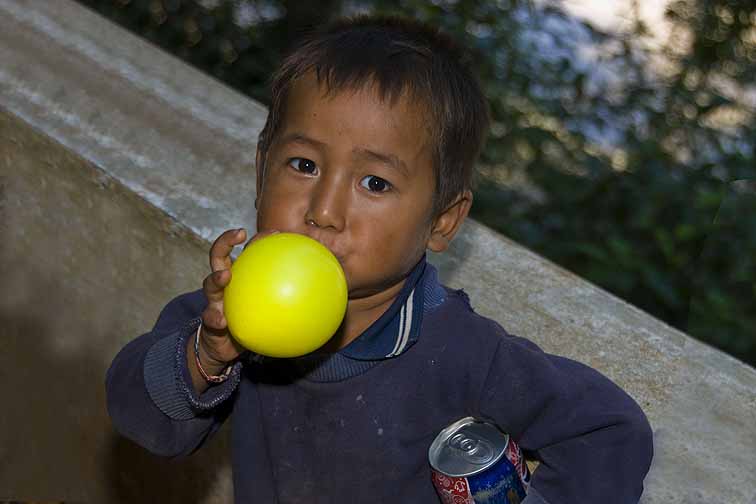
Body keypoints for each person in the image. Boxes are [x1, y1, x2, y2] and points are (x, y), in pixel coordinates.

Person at [106, 15, 653, 503]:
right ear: (259, 172)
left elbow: (608, 431)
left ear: (442, 221)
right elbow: (143, 420)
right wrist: (206, 357)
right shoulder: (230, 322)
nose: (323, 211)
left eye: (374, 182)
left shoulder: (465, 355)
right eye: (302, 165)